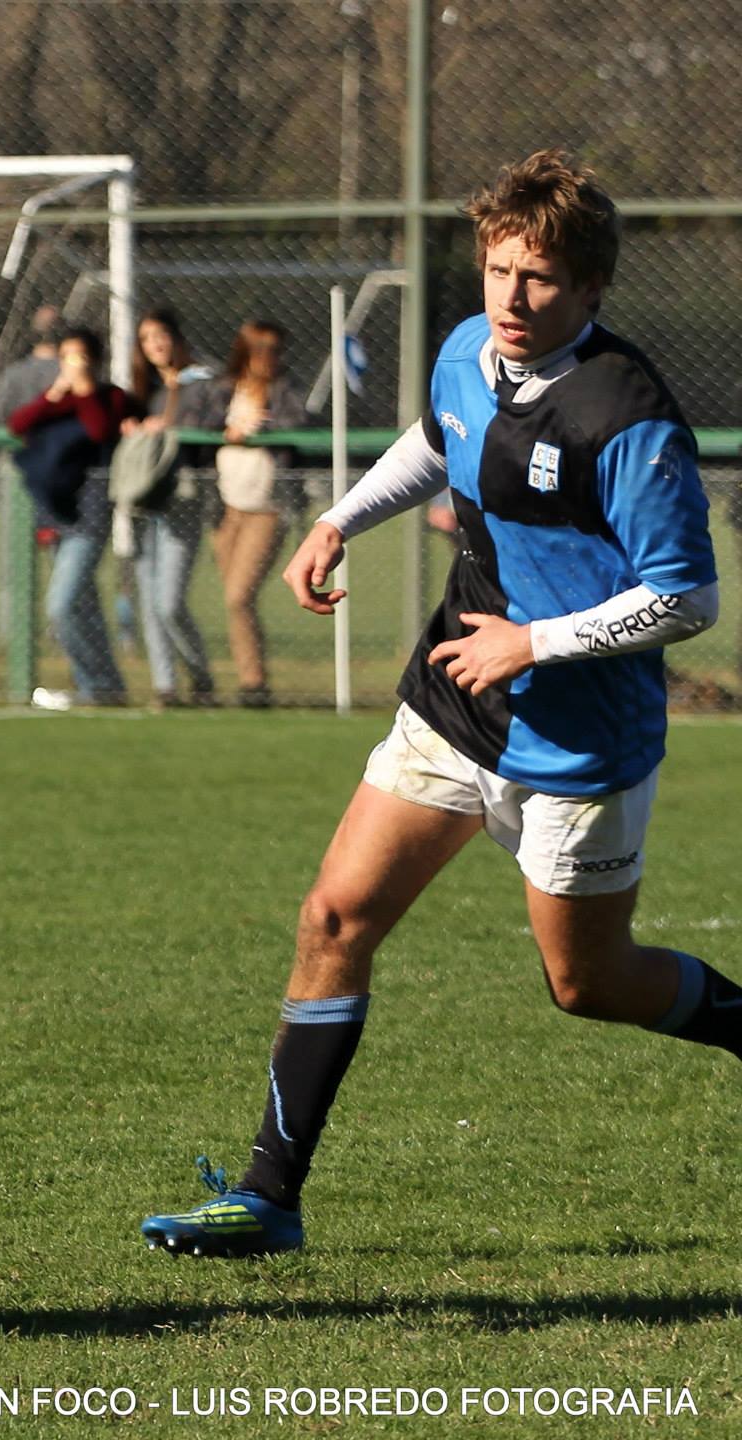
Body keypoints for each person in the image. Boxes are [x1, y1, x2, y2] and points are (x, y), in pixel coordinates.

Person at [142, 149, 725, 1258]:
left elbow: (685, 598)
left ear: (589, 289)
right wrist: (337, 521)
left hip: (576, 740)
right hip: (453, 697)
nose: (510, 298)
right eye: (497, 270)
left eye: (539, 279)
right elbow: (436, 440)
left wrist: (535, 643)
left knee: (585, 983)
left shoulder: (628, 416)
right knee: (331, 918)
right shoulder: (465, 351)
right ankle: (267, 1201)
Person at [8, 326, 130, 708]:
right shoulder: (55, 401)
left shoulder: (108, 398)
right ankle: (107, 687)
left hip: (88, 518)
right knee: (83, 607)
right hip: (55, 515)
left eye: (79, 357)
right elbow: (18, 425)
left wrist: (83, 391)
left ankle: (96, 685)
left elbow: (97, 430)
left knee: (60, 607)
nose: (71, 365)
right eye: (66, 357)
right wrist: (53, 394)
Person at [200, 319, 306, 707]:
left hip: (268, 507)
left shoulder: (285, 389)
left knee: (238, 595)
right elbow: (204, 423)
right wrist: (229, 427)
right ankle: (249, 680)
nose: (270, 359)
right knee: (236, 601)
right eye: (261, 350)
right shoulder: (225, 389)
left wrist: (263, 425)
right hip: (226, 506)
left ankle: (254, 683)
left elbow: (301, 422)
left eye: (276, 350)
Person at [117, 309, 217, 708]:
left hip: (182, 499)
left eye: (161, 335)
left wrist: (169, 426)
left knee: (169, 602)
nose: (155, 344)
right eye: (146, 338)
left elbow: (207, 428)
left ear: (177, 338)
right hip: (144, 503)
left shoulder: (201, 383)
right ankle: (166, 687)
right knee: (148, 599)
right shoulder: (146, 391)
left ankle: (201, 677)